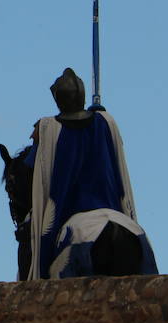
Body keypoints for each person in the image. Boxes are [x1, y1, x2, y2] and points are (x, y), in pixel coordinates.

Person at [23, 68, 157, 280]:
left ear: (59, 100)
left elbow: (29, 168)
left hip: (72, 209)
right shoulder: (105, 122)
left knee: (41, 248)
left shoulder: (49, 128)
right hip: (111, 205)